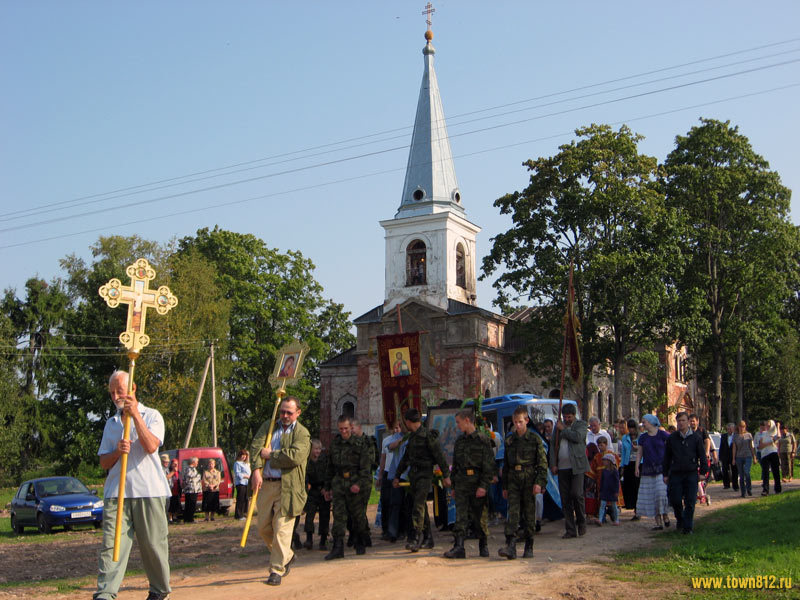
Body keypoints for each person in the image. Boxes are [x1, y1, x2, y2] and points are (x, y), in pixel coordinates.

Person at [94, 370, 171, 600]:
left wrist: (136, 416)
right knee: (112, 545)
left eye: (120, 390)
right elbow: (104, 462)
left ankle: (159, 590)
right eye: (112, 392)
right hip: (117, 493)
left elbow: (151, 446)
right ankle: (105, 592)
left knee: (153, 545)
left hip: (149, 490)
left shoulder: (152, 416)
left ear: (133, 389)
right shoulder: (112, 423)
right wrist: (118, 451)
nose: (116, 396)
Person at [249, 396, 311, 586]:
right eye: (282, 411)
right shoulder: (269, 426)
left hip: (289, 487)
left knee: (282, 530)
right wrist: (256, 471)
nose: (284, 415)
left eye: (289, 412)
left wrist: (271, 455)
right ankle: (288, 555)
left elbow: (294, 456)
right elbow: (255, 448)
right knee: (263, 528)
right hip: (266, 484)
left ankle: (276, 569)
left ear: (297, 413)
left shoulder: (302, 433)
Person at [392, 408, 451, 552]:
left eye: (405, 421)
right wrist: (397, 476)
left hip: (425, 475)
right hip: (414, 476)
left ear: (408, 421)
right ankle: (428, 538)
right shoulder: (412, 437)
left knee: (418, 506)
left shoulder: (427, 436)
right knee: (419, 506)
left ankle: (416, 538)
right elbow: (406, 459)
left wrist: (446, 475)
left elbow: (439, 456)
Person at [444, 409, 495, 559]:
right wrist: (453, 486)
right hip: (461, 484)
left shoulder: (483, 440)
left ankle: (483, 544)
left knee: (480, 517)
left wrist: (483, 486)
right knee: (460, 516)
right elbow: (456, 465)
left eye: (458, 422)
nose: (457, 426)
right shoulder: (460, 441)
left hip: (477, 482)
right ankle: (459, 546)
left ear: (467, 420)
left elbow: (489, 466)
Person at [498, 406, 547, 559]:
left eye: (520, 422)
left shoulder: (534, 439)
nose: (517, 425)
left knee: (528, 513)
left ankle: (529, 545)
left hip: (529, 478)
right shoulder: (510, 440)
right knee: (512, 512)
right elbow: (506, 465)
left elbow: (542, 464)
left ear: (526, 421)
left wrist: (540, 483)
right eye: (515, 422)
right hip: (513, 479)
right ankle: (511, 546)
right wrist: (504, 485)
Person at [323, 415, 371, 559]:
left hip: (354, 482)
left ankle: (361, 541)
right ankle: (338, 547)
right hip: (339, 483)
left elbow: (366, 468)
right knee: (339, 516)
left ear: (351, 427)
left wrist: (359, 484)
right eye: (341, 429)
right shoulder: (335, 444)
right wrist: (327, 487)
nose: (343, 431)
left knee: (358, 516)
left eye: (346, 428)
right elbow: (329, 467)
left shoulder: (360, 444)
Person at [663, 412, 708, 534]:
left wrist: (703, 472)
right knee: (676, 500)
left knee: (690, 500)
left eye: (683, 420)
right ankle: (680, 519)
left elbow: (702, 456)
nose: (681, 423)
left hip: (691, 473)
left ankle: (688, 527)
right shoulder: (672, 438)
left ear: (688, 421)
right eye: (678, 421)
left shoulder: (696, 438)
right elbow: (667, 457)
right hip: (676, 473)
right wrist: (665, 474)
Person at [550, 403, 589, 539]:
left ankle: (581, 521)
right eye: (565, 417)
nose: (567, 419)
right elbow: (553, 445)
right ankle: (570, 529)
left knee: (577, 494)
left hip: (577, 466)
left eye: (569, 417)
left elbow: (577, 437)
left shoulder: (581, 425)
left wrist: (564, 429)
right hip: (562, 467)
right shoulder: (558, 427)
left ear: (574, 415)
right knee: (565, 499)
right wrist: (553, 464)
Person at [635, 414, 671, 529]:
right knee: (652, 496)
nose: (643, 424)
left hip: (661, 469)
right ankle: (658, 522)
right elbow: (639, 453)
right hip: (648, 470)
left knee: (661, 493)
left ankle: (665, 515)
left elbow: (671, 446)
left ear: (650, 422)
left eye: (644, 422)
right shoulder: (643, 437)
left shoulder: (662, 434)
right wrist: (637, 467)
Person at [349, 419, 375, 547]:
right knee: (353, 510)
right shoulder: (349, 443)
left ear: (359, 427)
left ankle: (364, 536)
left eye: (352, 428)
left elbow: (371, 460)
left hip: (365, 479)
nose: (351, 431)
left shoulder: (368, 441)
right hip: (352, 480)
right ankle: (358, 534)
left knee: (360, 509)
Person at [377, 423, 404, 542]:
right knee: (385, 500)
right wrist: (380, 475)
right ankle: (386, 529)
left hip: (400, 473)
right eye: (394, 427)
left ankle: (398, 530)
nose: (396, 429)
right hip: (388, 472)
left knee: (397, 502)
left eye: (398, 427)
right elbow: (383, 457)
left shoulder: (404, 440)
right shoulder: (386, 440)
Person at [303, 439, 331, 550]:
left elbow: (329, 475)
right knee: (310, 515)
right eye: (315, 449)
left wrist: (326, 489)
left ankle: (323, 540)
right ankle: (309, 539)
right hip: (312, 490)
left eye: (319, 449)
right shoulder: (307, 462)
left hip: (324, 489)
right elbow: (305, 478)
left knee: (325, 516)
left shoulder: (325, 460)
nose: (318, 451)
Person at [620, 418, 640, 520]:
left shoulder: (641, 437)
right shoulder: (625, 438)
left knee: (637, 486)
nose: (631, 430)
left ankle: (638, 510)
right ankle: (631, 507)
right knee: (629, 487)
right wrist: (622, 465)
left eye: (633, 428)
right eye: (630, 428)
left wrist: (638, 448)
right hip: (628, 463)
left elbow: (644, 449)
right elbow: (623, 452)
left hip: (639, 463)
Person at [754, 420, 781, 496]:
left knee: (776, 472)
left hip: (773, 453)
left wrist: (778, 426)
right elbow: (760, 446)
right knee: (765, 472)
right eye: (766, 425)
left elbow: (778, 436)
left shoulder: (774, 433)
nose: (767, 427)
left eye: (769, 425)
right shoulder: (764, 434)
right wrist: (770, 442)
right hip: (764, 454)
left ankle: (778, 489)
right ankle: (765, 490)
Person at [732, 420, 756, 497]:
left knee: (746, 472)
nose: (742, 428)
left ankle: (749, 489)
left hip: (748, 455)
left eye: (743, 427)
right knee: (741, 475)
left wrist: (754, 457)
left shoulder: (749, 435)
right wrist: (733, 458)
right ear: (738, 427)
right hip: (739, 456)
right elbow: (734, 448)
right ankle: (743, 492)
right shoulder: (735, 436)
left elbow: (751, 447)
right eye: (741, 427)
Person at [597, 453, 621, 526]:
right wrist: (600, 490)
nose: (603, 462)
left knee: (614, 506)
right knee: (602, 505)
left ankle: (616, 519)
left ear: (609, 461)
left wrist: (616, 491)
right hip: (605, 490)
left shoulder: (614, 471)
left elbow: (617, 482)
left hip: (612, 491)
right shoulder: (604, 471)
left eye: (605, 460)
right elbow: (602, 481)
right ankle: (600, 519)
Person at [718, 423, 739, 491]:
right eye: (728, 429)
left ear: (733, 429)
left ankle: (735, 485)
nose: (729, 430)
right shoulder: (724, 436)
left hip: (733, 456)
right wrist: (720, 456)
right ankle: (726, 484)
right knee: (725, 470)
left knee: (734, 470)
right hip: (725, 456)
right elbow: (721, 446)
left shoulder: (736, 436)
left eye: (730, 429)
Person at [181, 456, 201, 523]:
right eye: (197, 461)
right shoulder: (189, 469)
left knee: (192, 504)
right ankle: (189, 519)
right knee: (190, 504)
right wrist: (198, 476)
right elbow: (191, 476)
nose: (197, 463)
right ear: (193, 462)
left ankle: (189, 518)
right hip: (191, 489)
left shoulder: (193, 469)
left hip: (194, 489)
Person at [233, 450, 251, 520]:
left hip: (247, 483)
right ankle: (238, 515)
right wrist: (246, 476)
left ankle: (244, 513)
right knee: (240, 499)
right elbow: (238, 474)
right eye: (243, 455)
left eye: (245, 455)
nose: (244, 456)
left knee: (246, 499)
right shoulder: (237, 463)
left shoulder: (246, 464)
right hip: (241, 483)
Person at [166, 458, 182, 523]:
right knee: (171, 505)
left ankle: (175, 517)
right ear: (171, 464)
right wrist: (173, 471)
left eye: (176, 464)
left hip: (177, 489)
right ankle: (170, 518)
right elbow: (166, 477)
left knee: (177, 504)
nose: (175, 465)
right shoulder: (169, 470)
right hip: (171, 489)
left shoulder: (179, 471)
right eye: (174, 464)